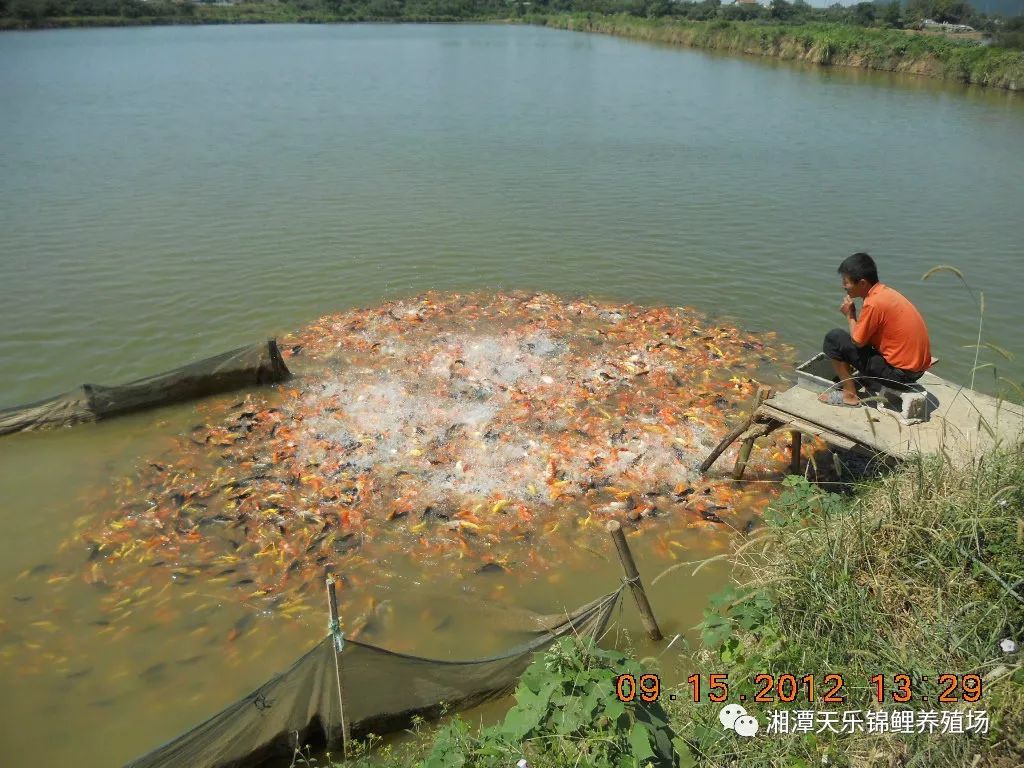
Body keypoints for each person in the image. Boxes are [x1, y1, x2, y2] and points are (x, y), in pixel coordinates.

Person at [819, 252, 932, 407]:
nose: (843, 286)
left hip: (901, 377)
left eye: (846, 282)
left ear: (862, 283)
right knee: (861, 341)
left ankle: (849, 395)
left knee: (834, 338)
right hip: (916, 372)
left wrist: (850, 315)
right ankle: (864, 380)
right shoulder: (886, 293)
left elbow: (857, 341)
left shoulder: (873, 303)